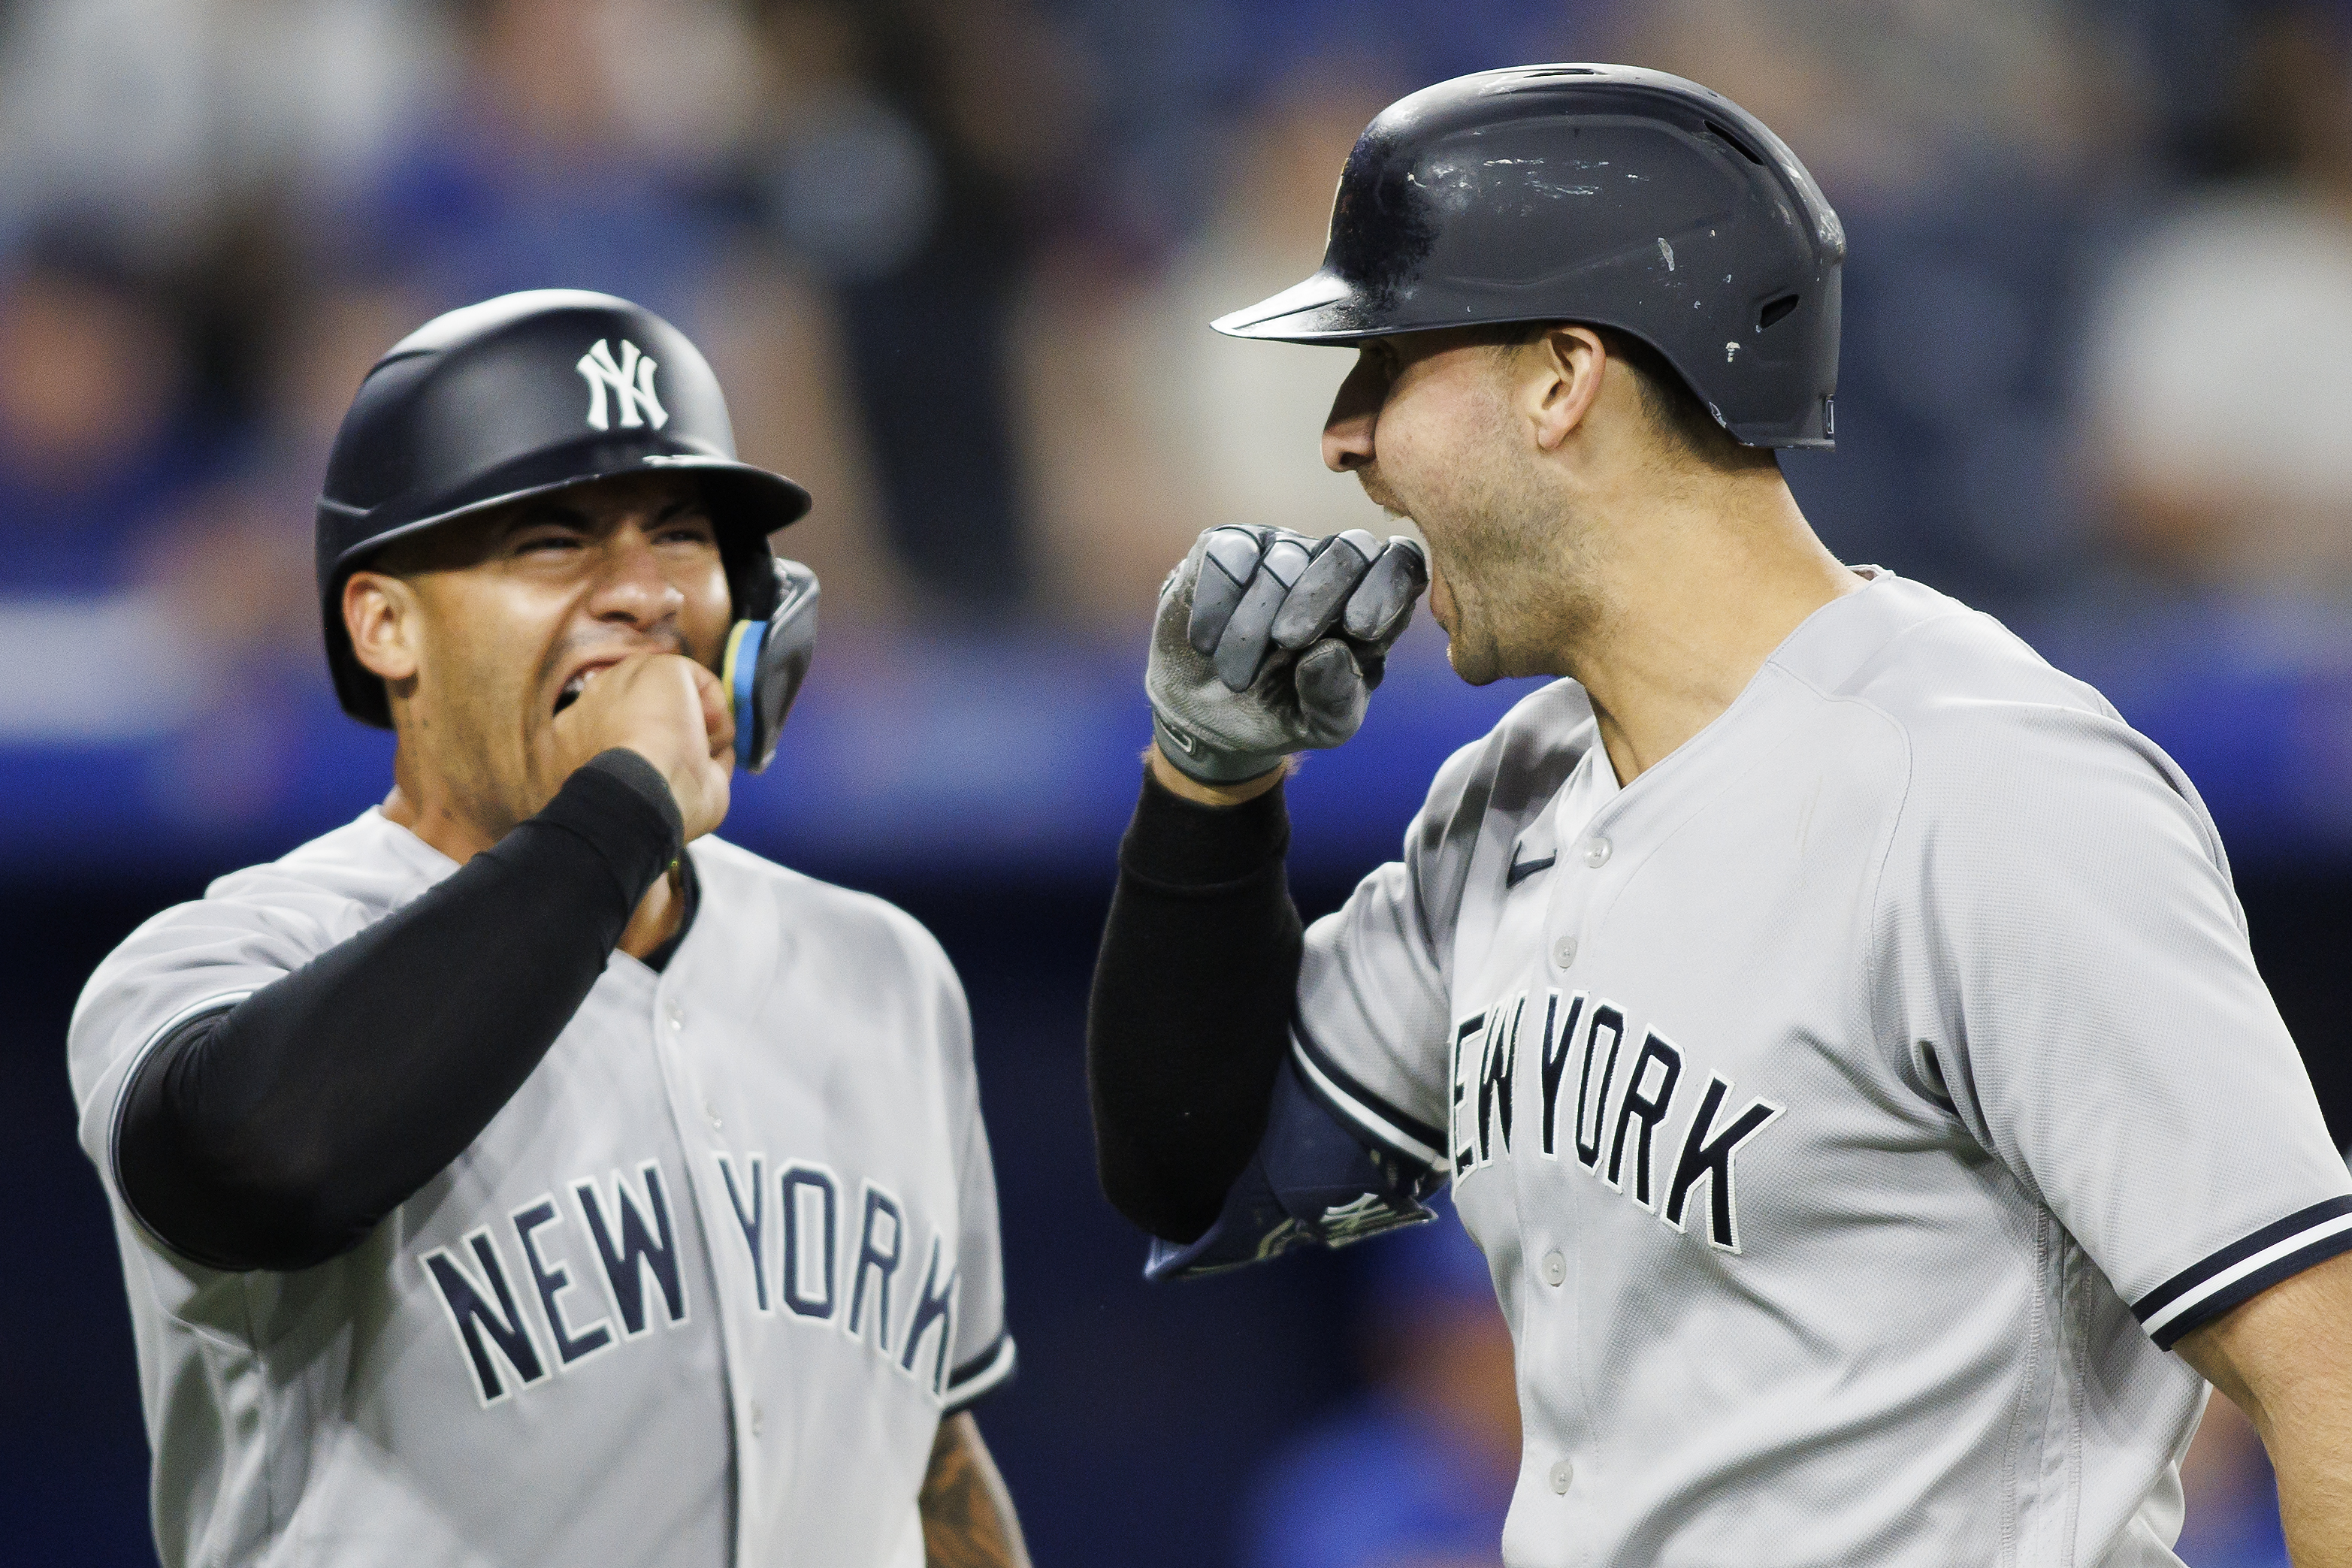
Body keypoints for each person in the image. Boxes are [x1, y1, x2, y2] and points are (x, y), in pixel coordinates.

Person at [1086, 65, 2352, 1566]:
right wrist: (1208, 787)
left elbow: (2315, 1361)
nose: (1342, 438)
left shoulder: (1984, 787)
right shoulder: (1503, 799)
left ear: (1561, 378)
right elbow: (1195, 1163)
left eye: (1384, 365)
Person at [68, 290, 1026, 1568]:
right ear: (384, 623)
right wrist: (620, 808)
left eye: (680, 534)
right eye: (550, 541)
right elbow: (260, 1168)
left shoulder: (884, 973)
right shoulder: (238, 955)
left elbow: (932, 1463)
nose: (639, 591)